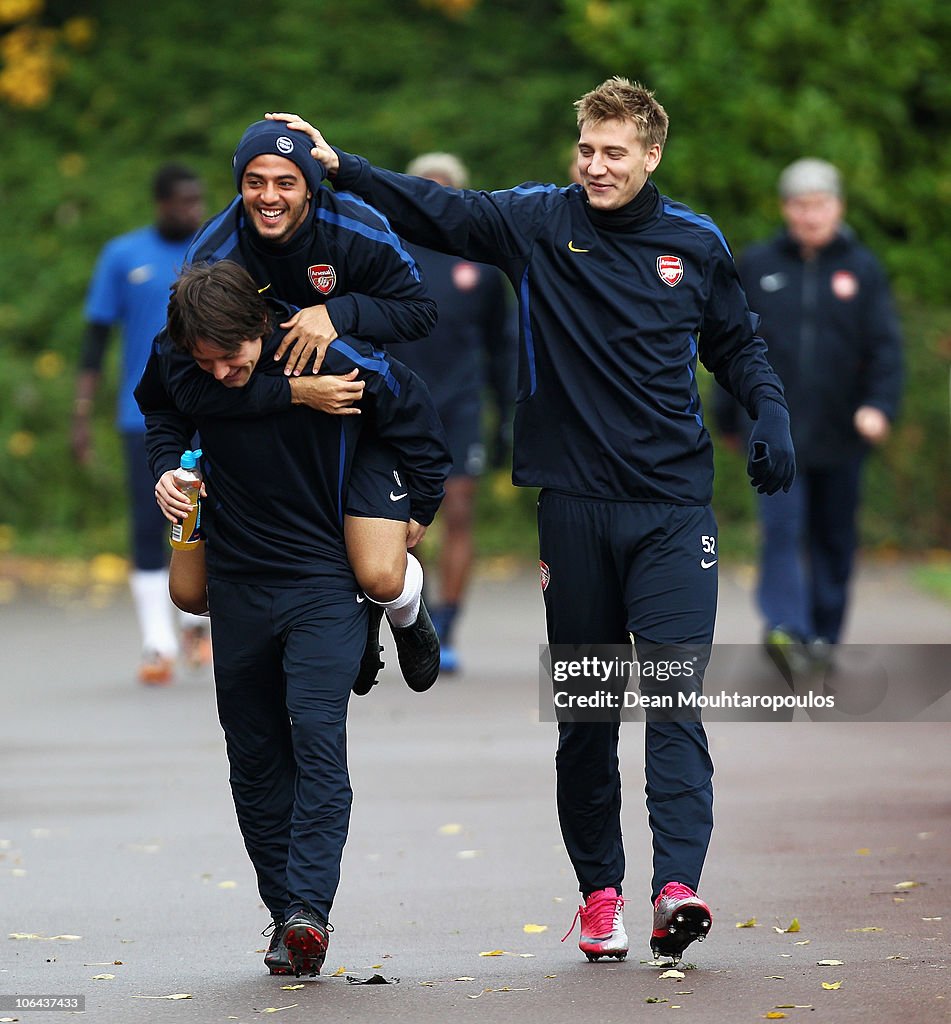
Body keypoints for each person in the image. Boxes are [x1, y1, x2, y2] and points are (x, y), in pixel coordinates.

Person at [267, 75, 795, 965]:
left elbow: (734, 341)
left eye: (613, 153)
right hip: (574, 509)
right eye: (585, 149)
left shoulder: (694, 242)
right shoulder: (540, 222)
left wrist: (769, 411)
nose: (594, 166)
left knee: (671, 698)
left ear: (651, 154)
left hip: (672, 508)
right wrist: (342, 170)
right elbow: (440, 211)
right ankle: (598, 894)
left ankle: (675, 890)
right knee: (588, 717)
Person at [134, 260, 450, 977]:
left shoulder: (330, 357)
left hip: (321, 580)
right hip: (237, 580)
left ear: (263, 330)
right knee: (253, 758)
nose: (217, 373)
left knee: (314, 737)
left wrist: (416, 513)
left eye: (232, 356)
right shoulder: (186, 363)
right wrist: (166, 467)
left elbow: (421, 422)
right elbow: (165, 410)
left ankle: (310, 908)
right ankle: (286, 920)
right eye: (203, 361)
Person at [163, 119, 442, 694]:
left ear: (311, 188)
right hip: (266, 423)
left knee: (381, 575)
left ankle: (405, 615)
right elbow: (179, 381)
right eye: (255, 182)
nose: (269, 197)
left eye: (286, 183)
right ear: (238, 184)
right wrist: (291, 391)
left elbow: (420, 312)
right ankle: (336, 631)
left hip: (355, 410)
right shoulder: (214, 254)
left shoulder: (355, 229)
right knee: (193, 594)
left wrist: (339, 314)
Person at [716, 158, 903, 675]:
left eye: (820, 204)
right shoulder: (758, 263)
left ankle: (822, 633)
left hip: (843, 431)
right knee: (781, 530)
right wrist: (729, 418)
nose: (810, 214)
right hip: (776, 434)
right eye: (800, 205)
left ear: (837, 207)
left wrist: (879, 407)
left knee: (833, 538)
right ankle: (786, 628)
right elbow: (730, 344)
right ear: (786, 209)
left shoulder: (862, 269)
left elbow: (886, 348)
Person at [72, 163, 210, 686]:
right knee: (152, 522)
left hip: (210, 408)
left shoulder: (211, 251)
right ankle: (159, 642)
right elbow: (94, 340)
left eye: (197, 200)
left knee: (210, 517)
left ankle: (197, 625)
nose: (191, 210)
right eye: (182, 201)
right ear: (160, 203)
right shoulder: (123, 255)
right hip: (143, 415)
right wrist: (81, 413)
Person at [398, 152, 516, 673]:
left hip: (461, 405)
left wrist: (510, 416)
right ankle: (416, 613)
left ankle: (448, 622)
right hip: (401, 409)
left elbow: (502, 347)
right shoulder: (387, 253)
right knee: (402, 521)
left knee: (459, 510)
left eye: (442, 189)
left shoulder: (483, 264)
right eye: (422, 188)